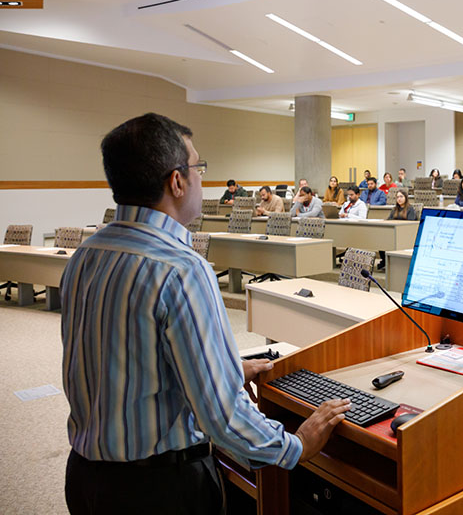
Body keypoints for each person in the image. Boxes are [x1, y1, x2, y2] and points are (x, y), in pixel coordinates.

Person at [60, 113, 349, 514]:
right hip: (158, 489)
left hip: (85, 477)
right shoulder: (181, 268)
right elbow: (223, 417)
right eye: (198, 167)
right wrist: (295, 446)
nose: (200, 177)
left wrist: (222, 368)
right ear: (177, 182)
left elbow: (118, 360)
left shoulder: (87, 253)